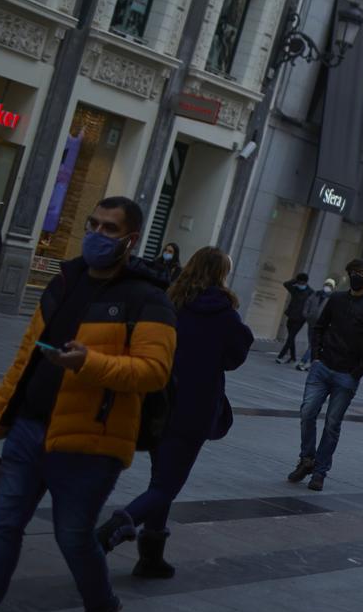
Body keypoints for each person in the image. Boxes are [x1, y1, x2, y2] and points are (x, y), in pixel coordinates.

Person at [0, 197, 176, 612]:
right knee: (2, 527)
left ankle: (101, 608)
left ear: (131, 240)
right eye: (93, 223)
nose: (97, 234)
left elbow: (154, 371)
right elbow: (26, 356)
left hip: (90, 443)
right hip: (28, 431)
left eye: (110, 228)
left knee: (73, 536)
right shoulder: (64, 281)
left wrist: (89, 363)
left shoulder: (147, 297)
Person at [97, 247, 253, 578]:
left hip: (156, 401)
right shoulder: (224, 314)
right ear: (220, 275)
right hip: (194, 408)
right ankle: (117, 526)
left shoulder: (171, 302)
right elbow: (235, 357)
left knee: (161, 479)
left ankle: (151, 556)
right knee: (166, 486)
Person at [287, 259, 363, 491]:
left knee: (332, 424)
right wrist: (317, 357)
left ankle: (320, 472)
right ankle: (306, 459)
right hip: (322, 367)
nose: (357, 276)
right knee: (307, 412)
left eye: (362, 273)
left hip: (347, 375)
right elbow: (320, 327)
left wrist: (356, 373)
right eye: (354, 272)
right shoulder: (337, 299)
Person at [296, 277, 335, 372]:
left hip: (322, 325)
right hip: (311, 322)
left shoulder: (332, 299)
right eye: (327, 285)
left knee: (313, 344)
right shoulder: (316, 294)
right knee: (312, 344)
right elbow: (307, 303)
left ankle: (304, 362)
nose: (327, 287)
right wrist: (306, 314)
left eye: (330, 286)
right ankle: (309, 363)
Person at [274, 272, 311, 364]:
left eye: (301, 283)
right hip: (291, 315)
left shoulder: (311, 293)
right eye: (298, 282)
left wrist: (307, 315)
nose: (299, 284)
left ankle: (280, 356)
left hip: (301, 318)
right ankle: (293, 357)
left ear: (305, 283)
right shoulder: (295, 289)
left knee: (290, 337)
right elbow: (286, 284)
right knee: (291, 337)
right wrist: (295, 279)